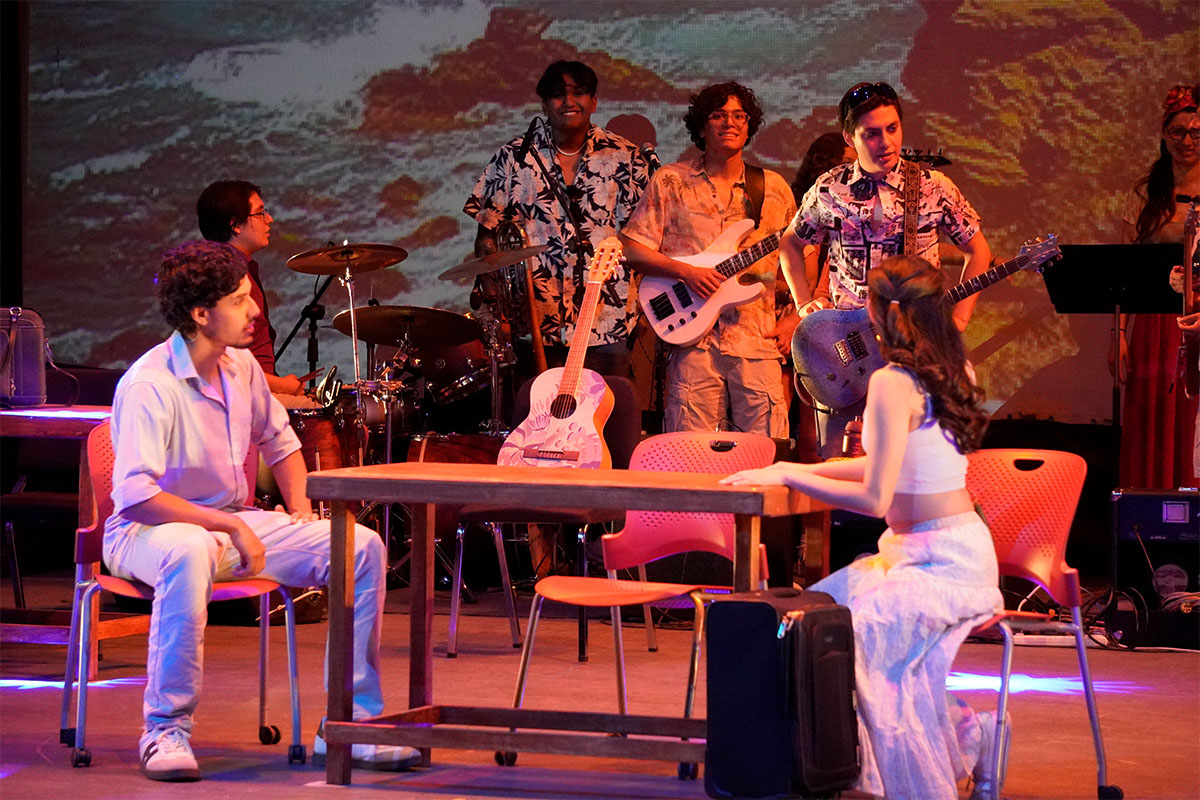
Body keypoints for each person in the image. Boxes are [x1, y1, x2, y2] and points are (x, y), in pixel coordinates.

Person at [104, 241, 416, 781]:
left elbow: (280, 441)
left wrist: (301, 511)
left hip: (227, 522)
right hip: (147, 531)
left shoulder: (241, 366)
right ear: (201, 314)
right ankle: (164, 729)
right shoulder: (150, 384)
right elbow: (136, 497)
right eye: (239, 300)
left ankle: (349, 724)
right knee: (189, 547)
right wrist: (228, 524)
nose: (254, 311)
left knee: (359, 546)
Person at [722, 254, 1004, 800]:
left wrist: (793, 476)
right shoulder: (952, 368)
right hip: (935, 550)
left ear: (876, 312)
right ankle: (972, 734)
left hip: (941, 564)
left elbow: (876, 496)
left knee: (853, 641)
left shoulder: (893, 382)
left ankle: (945, 754)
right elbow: (892, 466)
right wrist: (797, 469)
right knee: (814, 621)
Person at [780, 81, 992, 458]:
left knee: (914, 461)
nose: (886, 142)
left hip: (916, 345)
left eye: (892, 128)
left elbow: (978, 250)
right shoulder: (830, 188)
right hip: (846, 350)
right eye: (872, 134)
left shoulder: (931, 187)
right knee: (843, 463)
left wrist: (959, 318)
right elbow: (791, 244)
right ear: (850, 137)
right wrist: (802, 302)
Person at [619, 81, 798, 436]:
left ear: (748, 126)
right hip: (692, 342)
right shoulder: (671, 181)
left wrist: (795, 316)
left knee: (765, 450)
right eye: (718, 115)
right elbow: (631, 248)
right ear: (701, 126)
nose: (730, 122)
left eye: (739, 115)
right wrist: (686, 272)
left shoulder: (774, 187)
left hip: (756, 339)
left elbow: (802, 254)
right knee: (691, 451)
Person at [463, 60, 650, 383]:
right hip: (534, 322)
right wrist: (495, 303)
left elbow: (643, 235)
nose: (569, 102)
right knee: (536, 412)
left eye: (579, 93)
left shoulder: (626, 156)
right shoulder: (514, 156)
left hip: (607, 319)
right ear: (545, 105)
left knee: (604, 410)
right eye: (558, 94)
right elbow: (487, 235)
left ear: (594, 101)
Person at [1115, 83, 1199, 489]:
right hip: (1154, 326)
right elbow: (1125, 271)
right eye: (1177, 131)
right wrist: (1118, 333)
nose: (1186, 141)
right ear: (1164, 134)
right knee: (1153, 419)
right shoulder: (1145, 195)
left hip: (1198, 322)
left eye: (1195, 132)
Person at [197, 180, 311, 398]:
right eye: (260, 213)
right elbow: (224, 365)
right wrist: (282, 386)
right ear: (235, 225)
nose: (269, 219)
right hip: (245, 397)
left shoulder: (237, 269)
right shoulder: (225, 277)